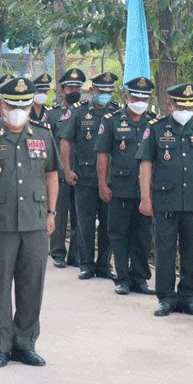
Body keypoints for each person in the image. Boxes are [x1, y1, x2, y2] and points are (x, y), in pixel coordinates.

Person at [0, 77, 59, 368]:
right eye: (12, 106)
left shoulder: (43, 135)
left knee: (32, 285)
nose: (19, 111)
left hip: (35, 222)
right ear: (0, 105)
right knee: (0, 286)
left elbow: (51, 175)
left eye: (24, 106)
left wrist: (52, 213)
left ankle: (26, 344)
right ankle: (1, 346)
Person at [137, 83, 193, 317]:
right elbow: (146, 164)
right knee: (164, 250)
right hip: (166, 199)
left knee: (192, 250)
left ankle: (187, 297)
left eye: (189, 106)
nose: (185, 111)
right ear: (170, 105)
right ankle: (166, 298)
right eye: (181, 106)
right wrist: (145, 197)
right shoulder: (156, 128)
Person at [95, 76, 156, 295]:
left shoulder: (154, 123)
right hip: (120, 188)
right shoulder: (112, 121)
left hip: (146, 191)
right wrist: (102, 184)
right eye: (135, 97)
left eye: (144, 98)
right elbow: (102, 155)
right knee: (118, 235)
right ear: (126, 96)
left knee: (143, 236)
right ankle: (122, 278)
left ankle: (139, 278)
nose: (139, 102)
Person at [59, 71, 120, 280]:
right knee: (84, 223)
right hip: (84, 177)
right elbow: (66, 141)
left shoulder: (117, 112)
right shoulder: (78, 111)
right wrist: (67, 170)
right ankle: (86, 264)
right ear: (93, 90)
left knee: (108, 223)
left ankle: (104, 264)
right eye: (102, 91)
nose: (105, 95)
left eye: (109, 91)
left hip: (111, 179)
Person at [46, 71, 82, 269]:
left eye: (77, 88)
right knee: (59, 214)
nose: (74, 91)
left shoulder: (86, 113)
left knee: (80, 215)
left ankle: (75, 254)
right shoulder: (53, 115)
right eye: (70, 88)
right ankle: (57, 252)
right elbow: (49, 145)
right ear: (62, 91)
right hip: (59, 172)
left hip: (82, 171)